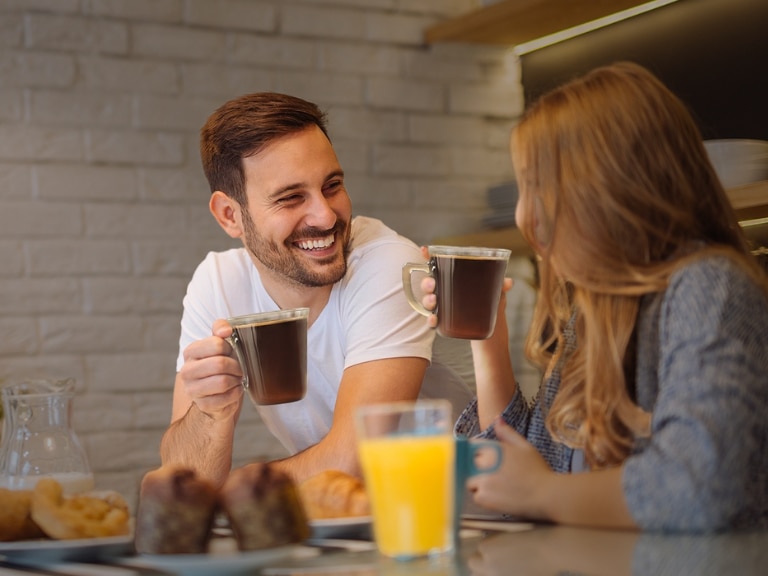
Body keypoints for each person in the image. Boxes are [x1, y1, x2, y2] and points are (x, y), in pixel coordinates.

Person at [421, 62, 768, 532]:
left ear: (608, 190)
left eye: (539, 187)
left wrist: (542, 492)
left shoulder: (709, 287)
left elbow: (698, 488)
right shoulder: (593, 308)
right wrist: (487, 336)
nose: (526, 215)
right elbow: (528, 470)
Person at [160, 92, 471, 488]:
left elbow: (354, 461)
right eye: (291, 198)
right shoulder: (219, 282)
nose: (325, 215)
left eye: (332, 185)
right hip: (348, 526)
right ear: (229, 215)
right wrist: (209, 414)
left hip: (465, 520)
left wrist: (230, 494)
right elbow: (183, 481)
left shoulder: (387, 263)